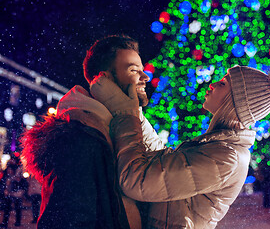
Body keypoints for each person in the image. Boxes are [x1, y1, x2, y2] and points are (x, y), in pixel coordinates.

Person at [90, 65, 270, 228]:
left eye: (223, 84)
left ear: (237, 102)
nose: (212, 84)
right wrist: (134, 112)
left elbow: (137, 180)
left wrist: (125, 114)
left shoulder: (225, 157)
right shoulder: (219, 145)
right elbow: (161, 161)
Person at [20, 35, 164, 229]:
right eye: (133, 70)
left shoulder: (118, 130)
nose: (145, 77)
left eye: (142, 70)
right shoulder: (81, 138)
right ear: (104, 79)